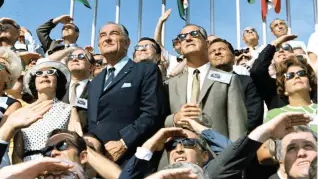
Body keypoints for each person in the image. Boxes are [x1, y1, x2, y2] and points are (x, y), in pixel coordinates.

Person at [120, 113, 312, 179]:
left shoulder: (214, 173)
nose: (178, 149)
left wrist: (200, 129)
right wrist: (151, 144)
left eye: (187, 143)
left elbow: (231, 154)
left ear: (205, 156)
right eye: (172, 146)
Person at [87, 22, 167, 167]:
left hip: (132, 158)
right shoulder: (94, 82)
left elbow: (152, 112)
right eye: (103, 35)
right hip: (97, 161)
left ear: (127, 43)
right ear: (99, 45)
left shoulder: (145, 70)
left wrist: (124, 142)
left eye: (114, 34)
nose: (107, 38)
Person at [165, 24, 247, 141]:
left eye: (194, 34)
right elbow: (157, 121)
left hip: (217, 154)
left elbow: (237, 126)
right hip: (179, 153)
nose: (188, 38)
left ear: (207, 44)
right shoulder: (170, 84)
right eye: (182, 37)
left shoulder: (228, 79)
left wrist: (234, 156)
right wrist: (175, 119)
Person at [12, 59, 81, 162]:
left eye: (50, 72)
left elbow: (76, 144)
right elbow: (17, 154)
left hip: (57, 166)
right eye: (39, 73)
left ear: (58, 81)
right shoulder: (24, 111)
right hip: (29, 168)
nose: (44, 76)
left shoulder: (69, 109)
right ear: (34, 82)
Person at [208, 38, 264, 131]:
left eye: (222, 49)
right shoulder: (201, 83)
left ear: (234, 57)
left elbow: (254, 117)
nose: (217, 52)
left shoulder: (247, 81)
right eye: (212, 51)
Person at [265, 56, 317, 133]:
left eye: (301, 73)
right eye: (290, 76)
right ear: (284, 88)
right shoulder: (274, 115)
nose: (297, 76)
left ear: (310, 84)